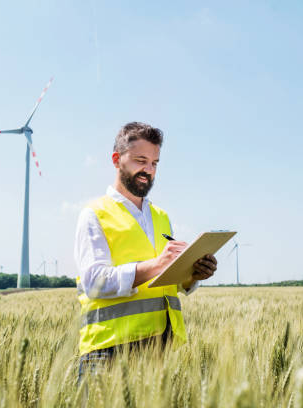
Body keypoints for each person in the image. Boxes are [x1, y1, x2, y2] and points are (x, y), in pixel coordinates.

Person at [74, 122, 217, 379]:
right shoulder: (94, 214)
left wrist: (193, 274)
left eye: (154, 163)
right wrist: (156, 264)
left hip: (162, 346)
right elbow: (93, 282)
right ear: (117, 160)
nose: (148, 170)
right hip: (109, 351)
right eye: (141, 160)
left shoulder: (161, 216)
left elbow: (166, 281)